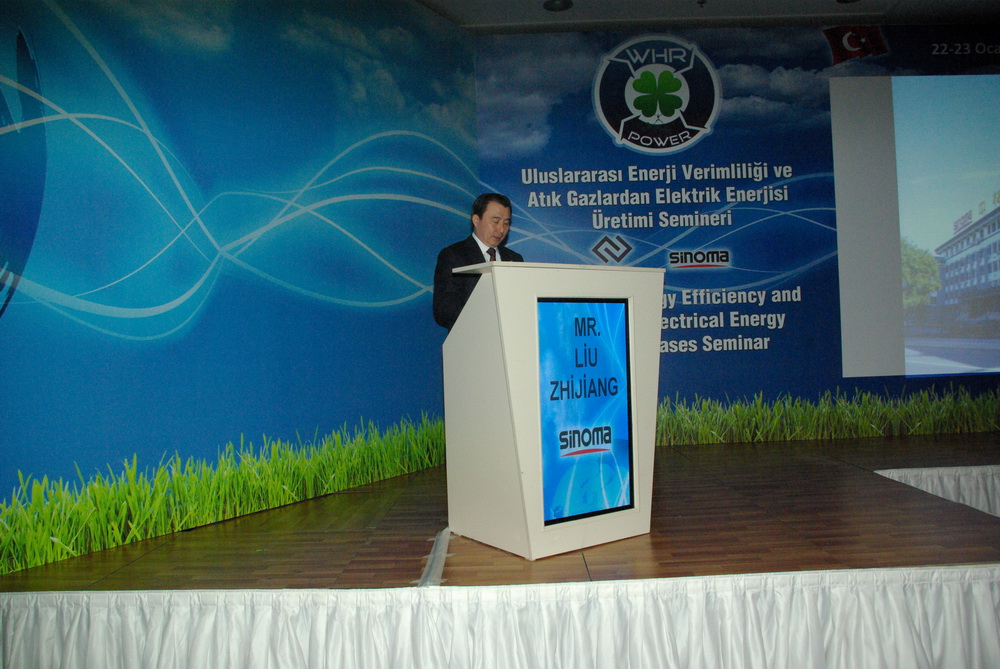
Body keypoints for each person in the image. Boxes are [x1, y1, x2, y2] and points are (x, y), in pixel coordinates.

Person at [433, 193, 524, 329]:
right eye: (495, 221)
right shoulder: (453, 255)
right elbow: (444, 309)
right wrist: (487, 317)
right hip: (471, 336)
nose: (501, 230)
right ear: (476, 220)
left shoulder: (515, 259)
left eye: (506, 223)